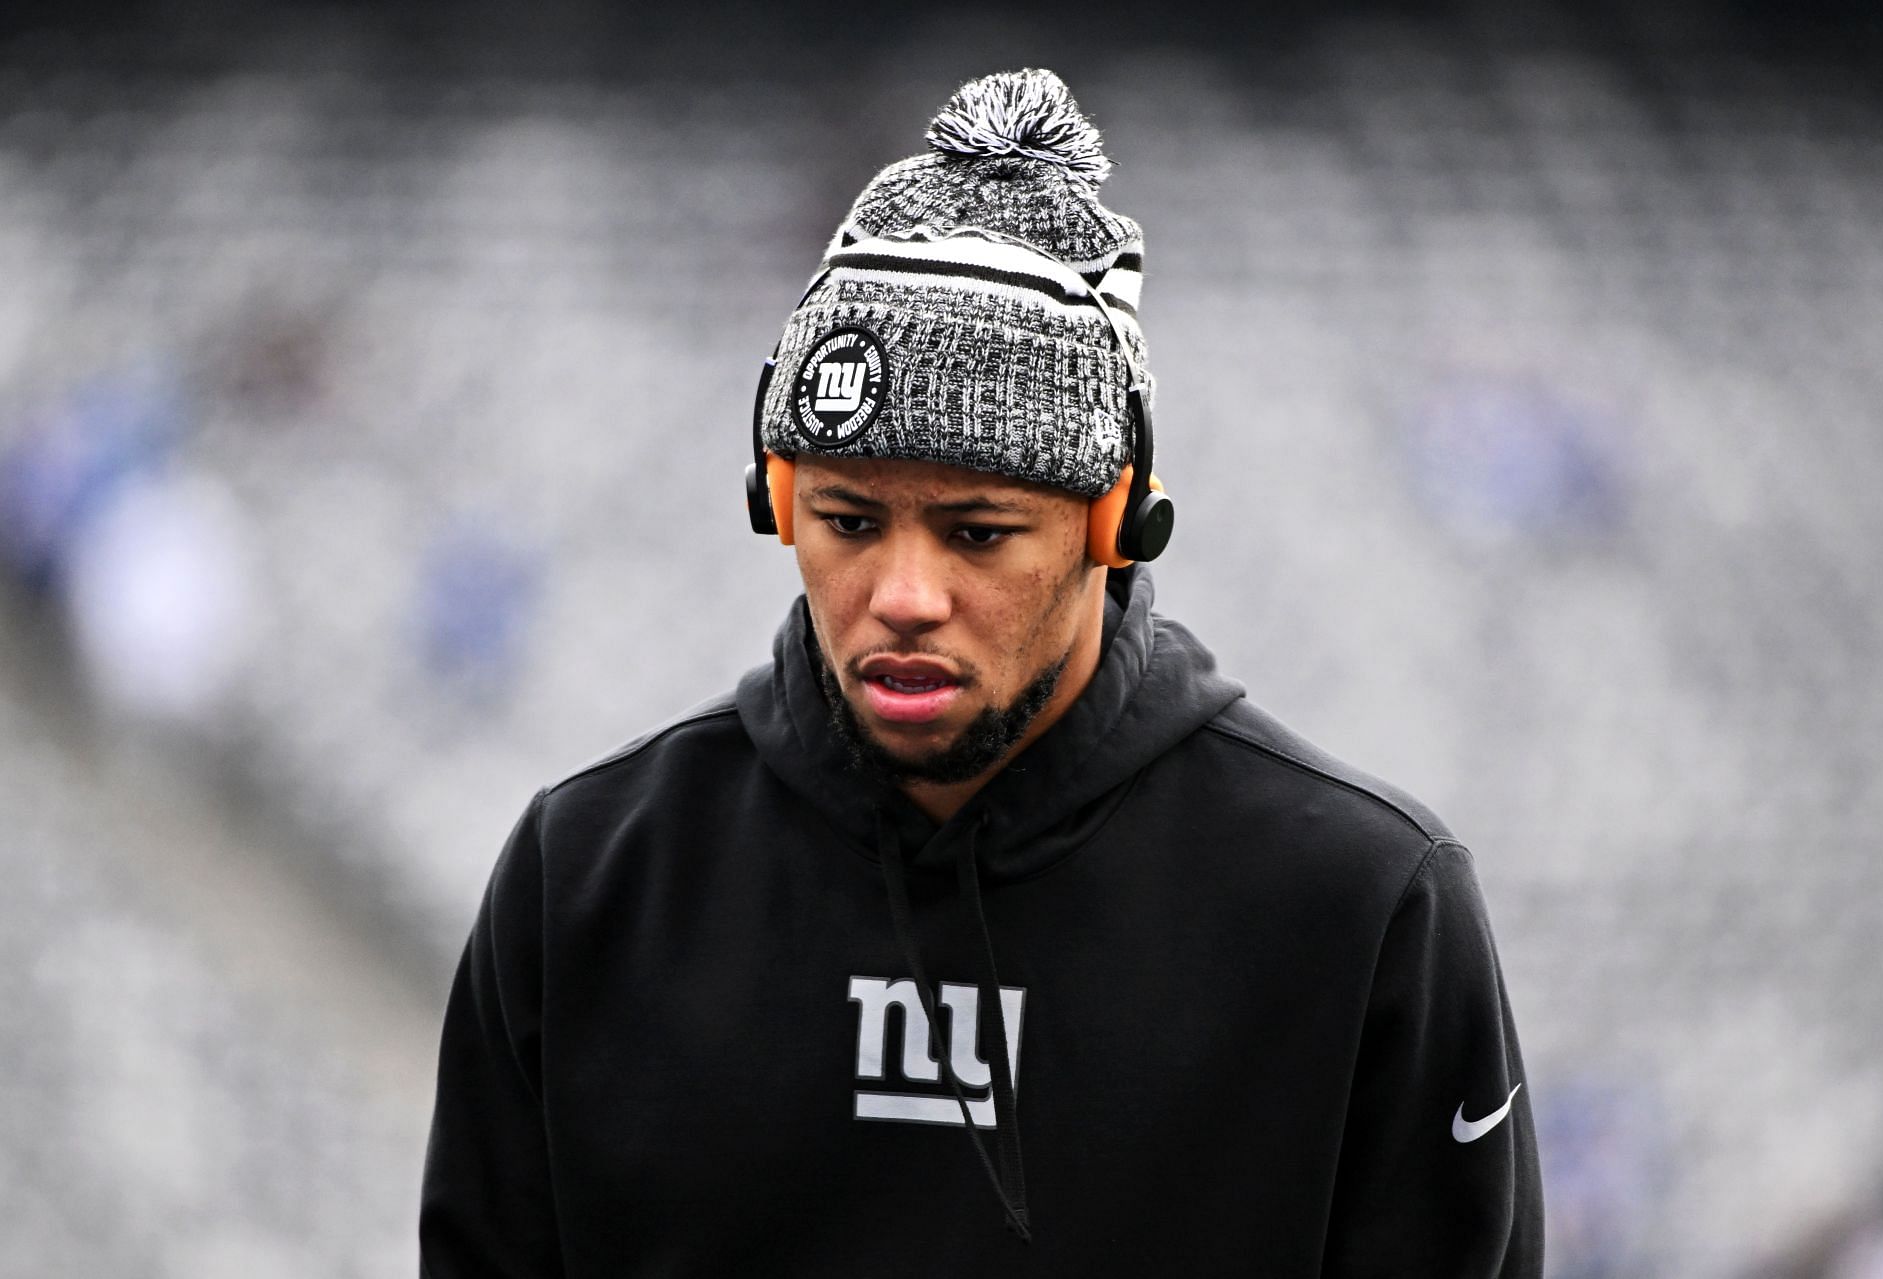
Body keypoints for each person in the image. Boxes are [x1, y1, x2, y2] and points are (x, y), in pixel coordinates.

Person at [420, 68, 1543, 1277]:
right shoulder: (588, 875)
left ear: (1116, 522)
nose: (904, 596)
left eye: (977, 532)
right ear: (778, 504)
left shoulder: (1365, 905)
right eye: (850, 522)